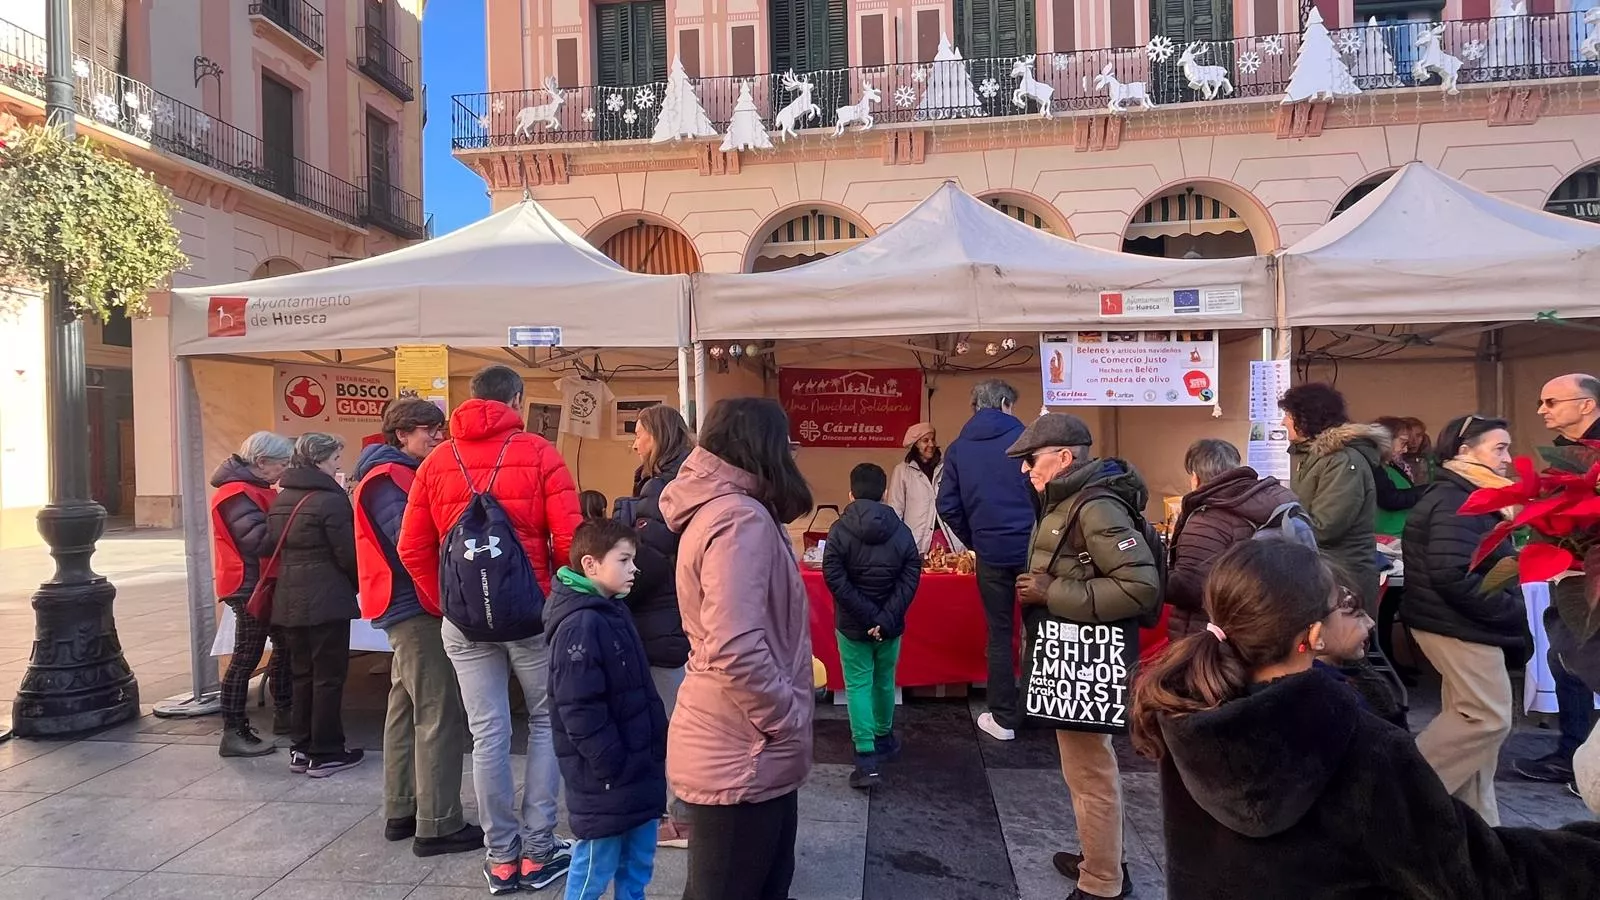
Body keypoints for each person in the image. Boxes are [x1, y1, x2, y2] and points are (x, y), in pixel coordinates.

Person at [1131, 539, 1600, 900]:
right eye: (1346, 607)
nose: (1367, 622)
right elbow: (1475, 877)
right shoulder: (1356, 741)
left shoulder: (1195, 712)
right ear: (1312, 634)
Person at [398, 365, 582, 894]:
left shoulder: (435, 461)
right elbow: (571, 540)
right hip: (531, 614)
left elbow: (411, 546)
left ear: (468, 401)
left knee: (487, 734)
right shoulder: (540, 453)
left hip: (463, 622)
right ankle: (539, 851)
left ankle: (501, 858)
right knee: (547, 723)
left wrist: (448, 604)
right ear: (517, 402)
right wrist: (558, 598)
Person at [658, 397, 814, 900]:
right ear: (764, 447)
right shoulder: (738, 518)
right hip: (743, 743)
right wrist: (784, 717)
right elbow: (735, 645)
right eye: (787, 444)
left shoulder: (729, 511)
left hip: (739, 738)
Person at [1007, 413, 1161, 900]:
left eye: (1031, 460)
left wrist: (1053, 591)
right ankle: (1102, 857)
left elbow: (1140, 588)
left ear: (1064, 457)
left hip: (1084, 658)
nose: (1025, 470)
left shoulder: (1094, 507)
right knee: (1088, 768)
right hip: (1071, 653)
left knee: (1091, 771)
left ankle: (1100, 883)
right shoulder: (1071, 501)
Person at [353, 399, 481, 856]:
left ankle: (403, 809)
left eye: (438, 429)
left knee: (405, 710)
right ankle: (439, 823)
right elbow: (413, 544)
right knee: (438, 712)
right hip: (416, 607)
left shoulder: (385, 473)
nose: (436, 437)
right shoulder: (390, 478)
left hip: (402, 606)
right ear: (400, 434)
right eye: (426, 430)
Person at [1404, 415, 1527, 825]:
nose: (1508, 458)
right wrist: (1508, 610)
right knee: (1485, 717)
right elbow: (1452, 572)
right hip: (1459, 623)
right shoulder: (1459, 498)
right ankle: (1398, 796)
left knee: (1473, 725)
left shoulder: (1470, 494)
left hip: (1456, 620)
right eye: (1499, 448)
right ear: (1463, 451)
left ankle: (1477, 824)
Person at [544, 520, 668, 900]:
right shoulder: (580, 625)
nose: (635, 569)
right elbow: (579, 709)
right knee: (595, 865)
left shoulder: (611, 610)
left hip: (636, 768)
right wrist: (611, 764)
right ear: (591, 565)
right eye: (625, 560)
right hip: (608, 779)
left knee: (638, 862)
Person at [937, 379, 1035, 742]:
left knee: (999, 633)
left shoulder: (959, 449)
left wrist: (976, 537)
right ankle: (1040, 710)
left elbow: (946, 504)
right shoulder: (1029, 440)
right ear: (1006, 402)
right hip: (1032, 551)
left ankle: (1004, 718)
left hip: (991, 554)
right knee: (1038, 631)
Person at [1515, 373, 1600, 786]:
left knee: (1576, 660)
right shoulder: (1571, 452)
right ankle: (1573, 754)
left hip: (1588, 581)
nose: (1541, 410)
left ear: (1587, 404)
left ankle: (1578, 759)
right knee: (1564, 659)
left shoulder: (1592, 454)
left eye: (1551, 402)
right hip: (1569, 575)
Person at [822, 462, 922, 790]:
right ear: (884, 494)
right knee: (884, 680)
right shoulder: (901, 530)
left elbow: (834, 577)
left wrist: (866, 616)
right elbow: (911, 572)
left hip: (852, 625)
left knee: (858, 684)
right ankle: (884, 737)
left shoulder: (839, 530)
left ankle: (866, 757)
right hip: (890, 625)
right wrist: (884, 617)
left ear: (851, 493)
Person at [268, 432, 362, 777]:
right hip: (327, 597)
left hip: (289, 597)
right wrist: (356, 585)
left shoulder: (281, 499)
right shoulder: (331, 500)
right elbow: (347, 553)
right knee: (329, 676)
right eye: (336, 459)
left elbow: (269, 544)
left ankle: (301, 747)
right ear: (321, 460)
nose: (339, 465)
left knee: (302, 674)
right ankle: (326, 750)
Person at [621, 404, 694, 847]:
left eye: (640, 434)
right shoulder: (690, 478)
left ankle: (680, 820)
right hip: (683, 617)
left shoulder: (662, 488)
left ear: (659, 438)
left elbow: (644, 562)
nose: (634, 442)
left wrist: (607, 581)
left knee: (670, 724)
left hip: (662, 622)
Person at [210, 431, 295, 757]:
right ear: (261, 462)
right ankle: (233, 730)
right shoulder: (235, 494)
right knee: (246, 656)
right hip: (248, 583)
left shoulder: (256, 489)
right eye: (281, 464)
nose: (284, 470)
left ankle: (285, 713)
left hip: (263, 580)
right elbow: (257, 540)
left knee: (285, 646)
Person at [1165, 439, 1300, 641]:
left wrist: (1155, 576)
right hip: (1268, 621)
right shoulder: (1276, 499)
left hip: (1210, 634)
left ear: (1195, 477)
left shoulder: (1207, 518)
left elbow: (1191, 588)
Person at [1279, 383, 1386, 609]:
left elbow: (1326, 527)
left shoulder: (1341, 461)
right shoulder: (1312, 457)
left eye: (1288, 415)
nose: (1283, 422)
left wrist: (1278, 530)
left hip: (1343, 577)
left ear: (1307, 417)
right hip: (1325, 572)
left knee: (1342, 643)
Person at [886, 422, 963, 556]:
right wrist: (897, 544)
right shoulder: (902, 471)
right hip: (917, 542)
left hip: (950, 540)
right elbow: (895, 510)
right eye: (925, 441)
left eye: (933, 439)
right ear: (915, 444)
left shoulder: (947, 467)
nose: (931, 444)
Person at [1371, 416, 1426, 540]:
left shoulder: (1389, 465)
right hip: (1385, 538)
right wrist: (1427, 490)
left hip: (1398, 535)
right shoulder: (1373, 467)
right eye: (1403, 442)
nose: (1405, 449)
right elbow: (1389, 499)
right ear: (1385, 439)